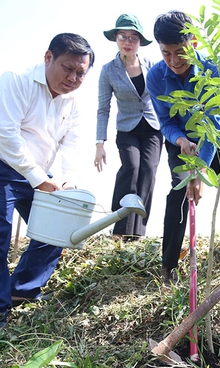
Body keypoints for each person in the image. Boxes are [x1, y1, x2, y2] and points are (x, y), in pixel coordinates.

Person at [0, 33, 95, 331]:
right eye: (68, 68)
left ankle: (20, 289)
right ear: (48, 58)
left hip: (34, 173)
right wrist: (39, 180)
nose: (73, 78)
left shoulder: (74, 101)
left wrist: (69, 181)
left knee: (60, 228)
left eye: (80, 73)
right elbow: (5, 136)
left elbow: (72, 144)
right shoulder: (14, 80)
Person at [146, 11, 220, 284]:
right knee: (179, 193)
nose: (174, 61)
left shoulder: (213, 69)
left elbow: (215, 121)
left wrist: (200, 172)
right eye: (166, 53)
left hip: (216, 138)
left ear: (195, 43)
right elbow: (165, 121)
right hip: (182, 145)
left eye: (180, 52)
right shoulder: (155, 76)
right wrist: (180, 141)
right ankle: (168, 267)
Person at [95, 14, 163, 239]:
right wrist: (99, 143)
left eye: (133, 37)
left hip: (152, 128)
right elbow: (103, 108)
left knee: (148, 172)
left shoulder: (152, 66)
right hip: (127, 130)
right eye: (123, 36)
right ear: (116, 38)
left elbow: (165, 97)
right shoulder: (108, 70)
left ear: (140, 42)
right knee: (132, 169)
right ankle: (119, 228)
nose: (128, 41)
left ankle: (137, 234)